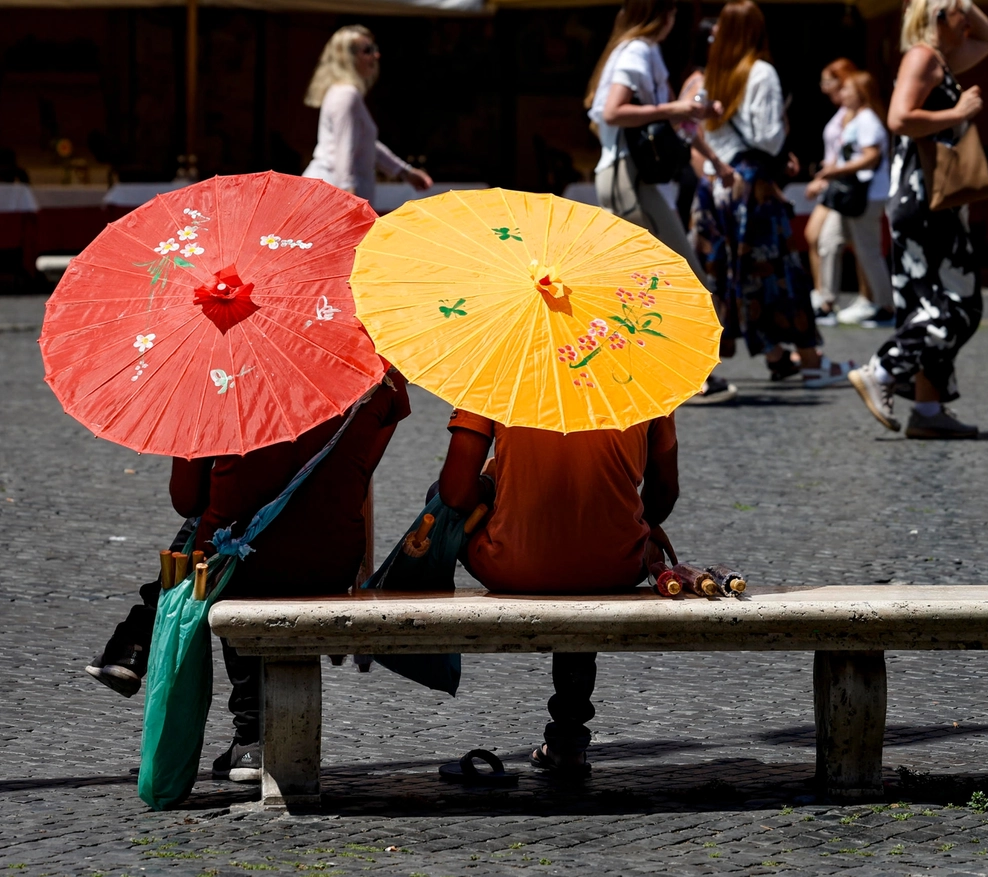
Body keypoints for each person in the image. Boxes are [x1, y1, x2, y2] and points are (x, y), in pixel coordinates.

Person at [88, 373, 412, 783]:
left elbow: (186, 499)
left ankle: (246, 731)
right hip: (330, 560)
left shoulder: (215, 377)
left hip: (242, 562)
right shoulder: (378, 375)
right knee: (233, 538)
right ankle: (140, 647)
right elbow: (358, 472)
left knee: (221, 543)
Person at [438, 408, 678, 775]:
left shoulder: (497, 368)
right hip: (614, 564)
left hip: (513, 564)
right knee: (584, 554)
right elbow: (663, 495)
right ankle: (569, 740)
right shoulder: (646, 379)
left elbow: (455, 493)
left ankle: (429, 645)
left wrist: (492, 484)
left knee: (440, 502)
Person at [847, 0, 988, 438]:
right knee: (959, 307)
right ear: (936, 18)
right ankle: (882, 370)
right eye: (959, 14)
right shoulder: (923, 56)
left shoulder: (940, 60)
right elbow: (899, 118)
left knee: (927, 304)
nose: (968, 22)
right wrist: (959, 114)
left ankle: (928, 412)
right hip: (922, 198)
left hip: (931, 199)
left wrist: (961, 2)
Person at [692, 0, 850, 389]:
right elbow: (767, 136)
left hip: (718, 185)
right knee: (777, 271)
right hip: (753, 187)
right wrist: (782, 127)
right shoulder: (761, 72)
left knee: (721, 274)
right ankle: (809, 359)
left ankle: (760, 358)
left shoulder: (714, 74)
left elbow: (701, 131)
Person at [586, 0, 738, 404]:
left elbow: (676, 121)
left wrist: (712, 152)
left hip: (630, 177)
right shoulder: (637, 50)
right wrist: (678, 108)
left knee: (659, 278)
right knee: (667, 278)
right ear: (663, 16)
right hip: (626, 177)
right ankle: (685, 378)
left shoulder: (638, 50)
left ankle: (658, 374)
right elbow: (614, 112)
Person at [302, 26, 432, 206]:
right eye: (368, 50)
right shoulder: (346, 95)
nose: (376, 56)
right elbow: (343, 150)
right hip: (332, 193)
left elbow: (364, 142)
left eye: (375, 49)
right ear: (347, 57)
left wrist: (405, 171)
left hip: (331, 190)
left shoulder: (344, 92)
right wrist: (349, 196)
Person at [807, 70, 895, 328]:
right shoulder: (850, 120)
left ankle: (886, 305)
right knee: (828, 241)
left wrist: (837, 171)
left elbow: (871, 156)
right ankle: (827, 301)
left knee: (868, 251)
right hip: (846, 195)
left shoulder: (868, 119)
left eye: (848, 89)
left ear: (861, 93)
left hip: (866, 195)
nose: (841, 94)